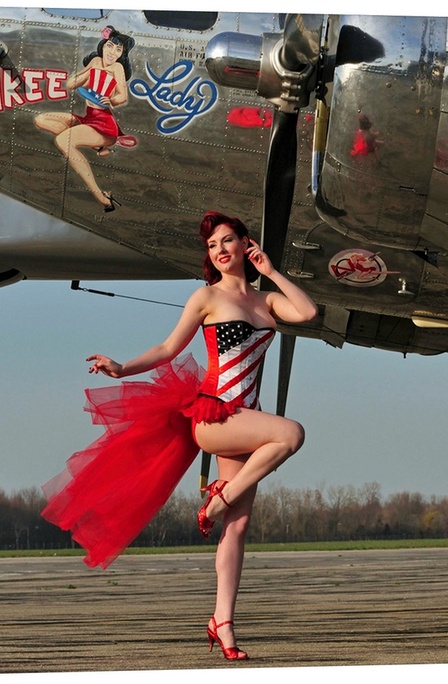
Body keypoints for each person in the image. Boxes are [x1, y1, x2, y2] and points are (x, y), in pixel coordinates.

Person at [41, 210, 319, 661]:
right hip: (215, 416)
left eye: (228, 241)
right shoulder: (206, 297)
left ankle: (222, 623)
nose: (221, 250)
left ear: (246, 244)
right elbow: (168, 348)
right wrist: (122, 367)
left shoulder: (267, 302)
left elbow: (307, 312)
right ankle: (216, 499)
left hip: (246, 420)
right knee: (291, 433)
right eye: (213, 246)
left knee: (240, 527)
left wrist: (270, 271)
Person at [34, 26, 136, 211]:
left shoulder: (118, 68)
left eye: (118, 50)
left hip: (104, 123)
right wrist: (88, 72)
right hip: (89, 118)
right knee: (42, 119)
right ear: (103, 45)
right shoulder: (96, 61)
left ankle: (101, 195)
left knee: (64, 141)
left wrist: (111, 99)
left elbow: (123, 96)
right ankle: (96, 145)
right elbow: (71, 84)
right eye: (110, 46)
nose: (112, 52)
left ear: (122, 54)